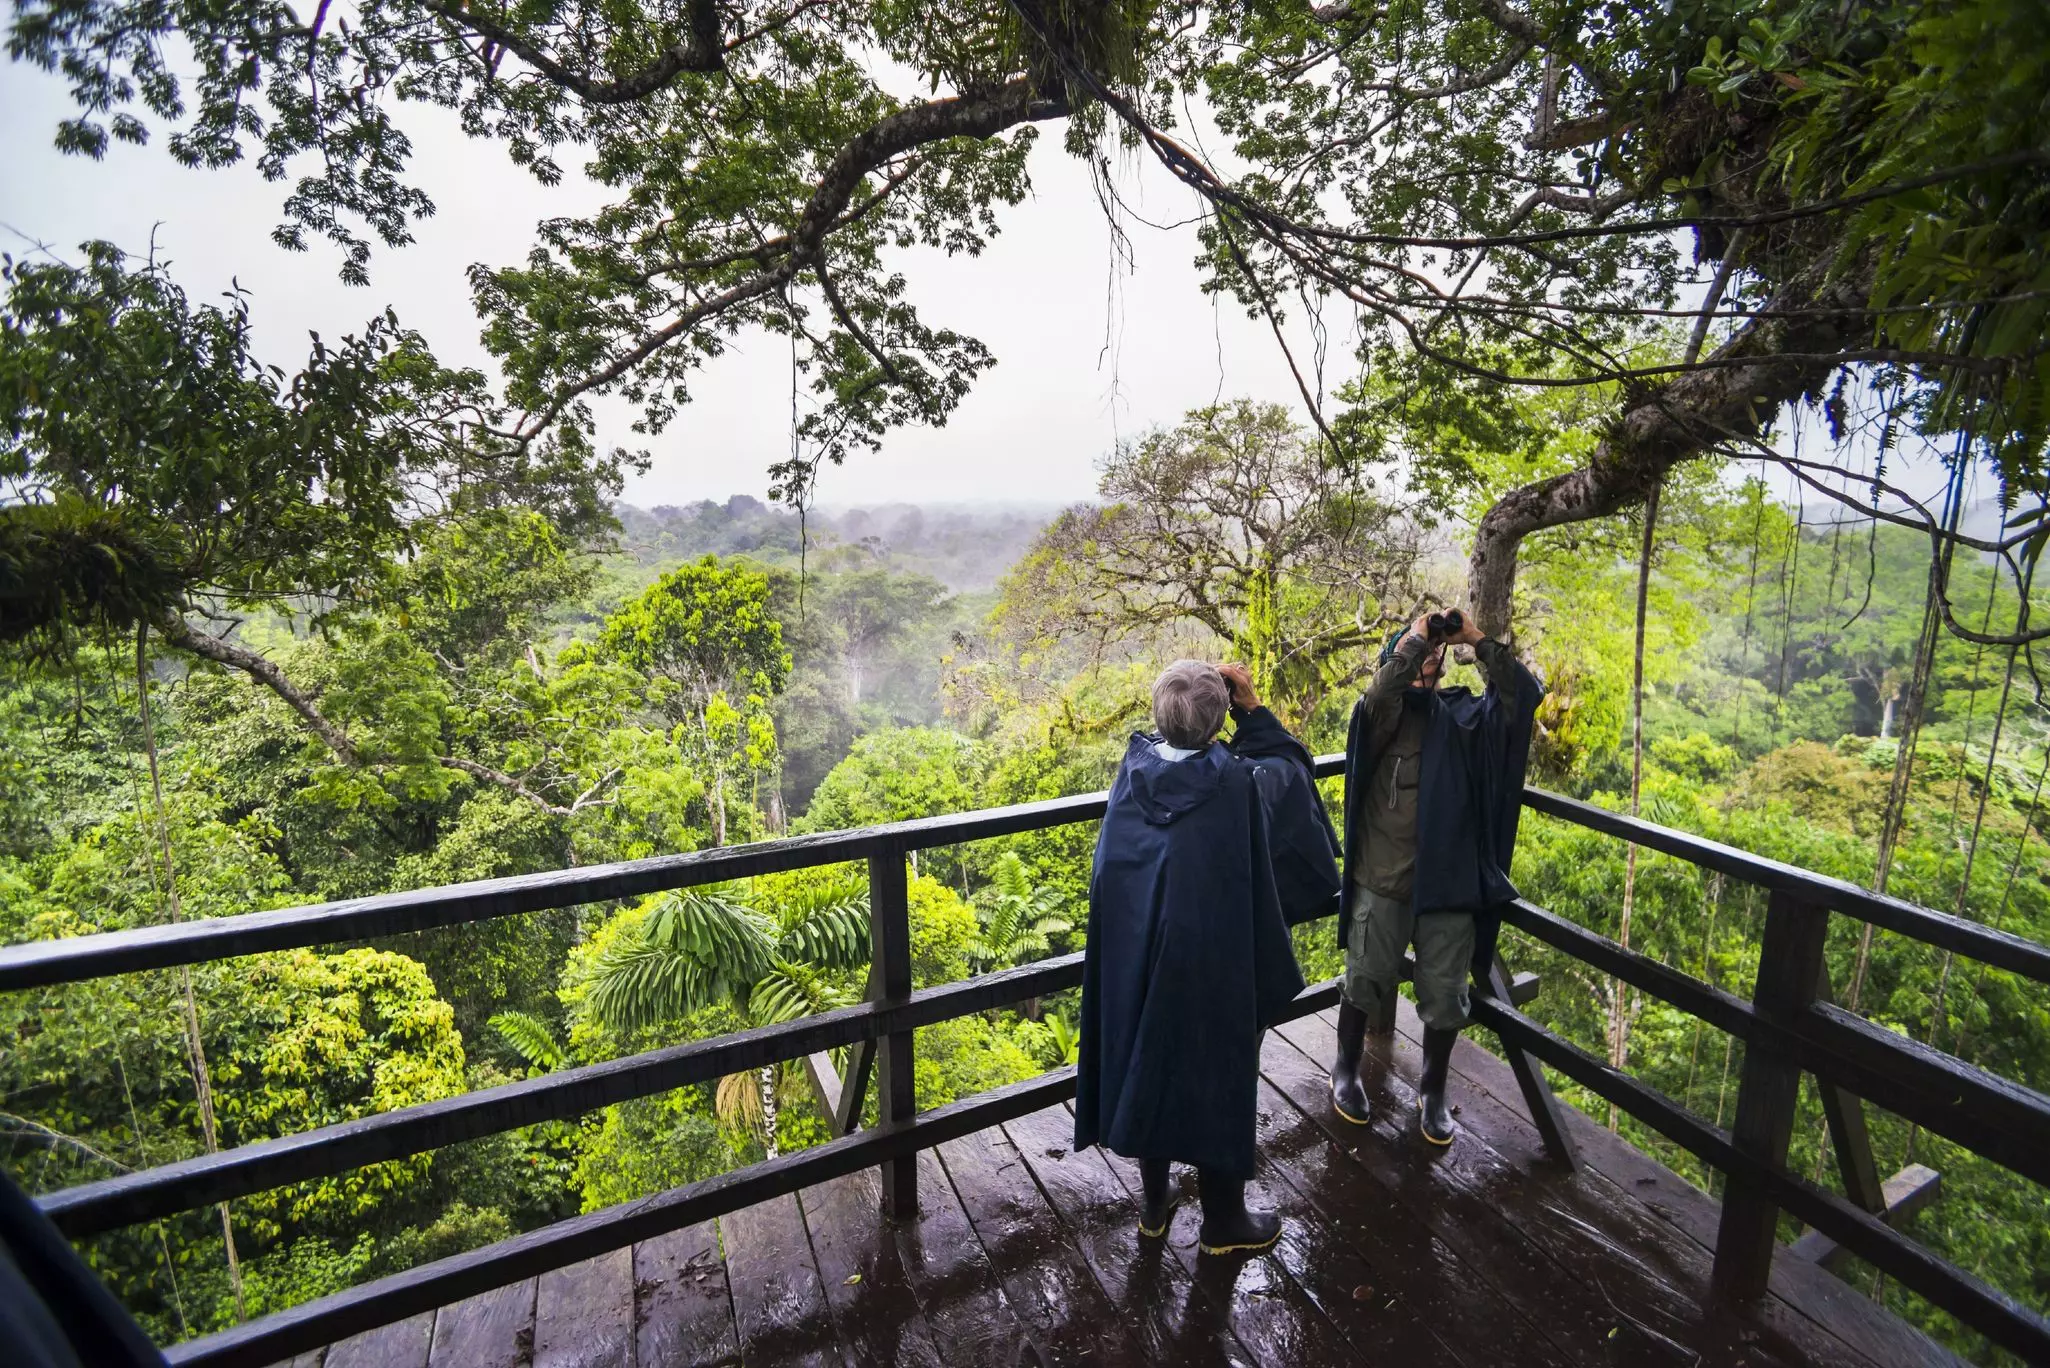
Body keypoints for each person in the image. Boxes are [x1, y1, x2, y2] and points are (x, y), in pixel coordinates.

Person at [1073, 659, 1307, 1255]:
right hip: (1212, 961)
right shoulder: (1235, 782)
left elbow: (1115, 870)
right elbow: (1293, 770)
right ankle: (1224, 1221)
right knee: (1217, 1072)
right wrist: (1252, 710)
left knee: (1149, 1057)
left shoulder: (1133, 770)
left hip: (1140, 953)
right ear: (1219, 719)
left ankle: (1156, 1203)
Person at [1330, 608, 1544, 1146]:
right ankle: (1346, 1069)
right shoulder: (1384, 715)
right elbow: (1377, 697)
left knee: (1446, 995)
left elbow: (1523, 697)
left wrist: (1473, 638)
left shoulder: (1467, 717)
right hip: (1384, 874)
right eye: (1413, 653)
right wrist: (1414, 639)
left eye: (1432, 654)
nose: (1426, 659)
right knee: (1365, 976)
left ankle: (1431, 1090)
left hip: (1449, 883)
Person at [1222, 662, 1343, 927]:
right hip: (1255, 918)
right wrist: (1253, 707)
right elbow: (1290, 756)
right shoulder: (1250, 777)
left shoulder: (1140, 780)